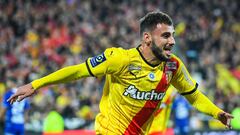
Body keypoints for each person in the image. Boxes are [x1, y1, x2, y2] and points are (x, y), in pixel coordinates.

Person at [7, 11, 233, 134]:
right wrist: (35, 84)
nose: (172, 41)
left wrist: (217, 113)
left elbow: (193, 95)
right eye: (165, 36)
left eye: (172, 35)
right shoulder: (120, 59)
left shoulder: (173, 66)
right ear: (147, 38)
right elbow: (77, 71)